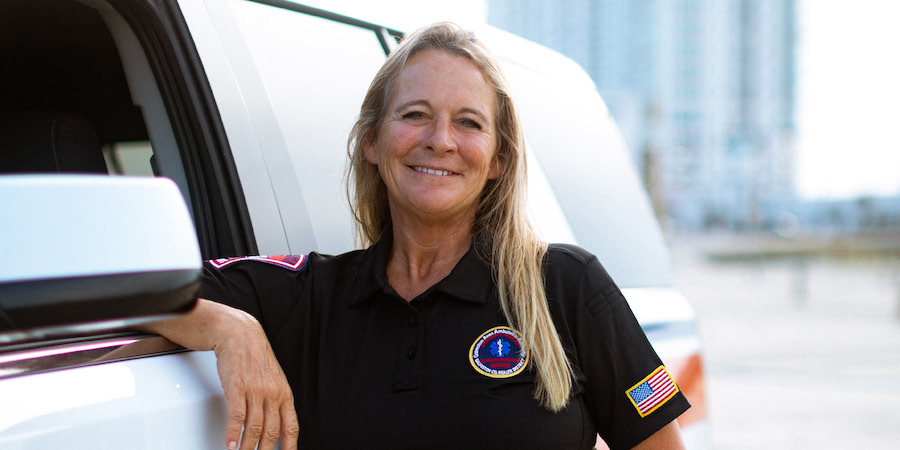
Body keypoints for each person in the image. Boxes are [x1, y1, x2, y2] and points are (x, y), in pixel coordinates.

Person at [148, 22, 689, 450]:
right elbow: (120, 291)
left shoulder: (567, 287)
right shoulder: (308, 298)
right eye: (415, 115)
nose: (440, 140)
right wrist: (228, 328)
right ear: (372, 143)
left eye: (469, 123)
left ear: (499, 158)